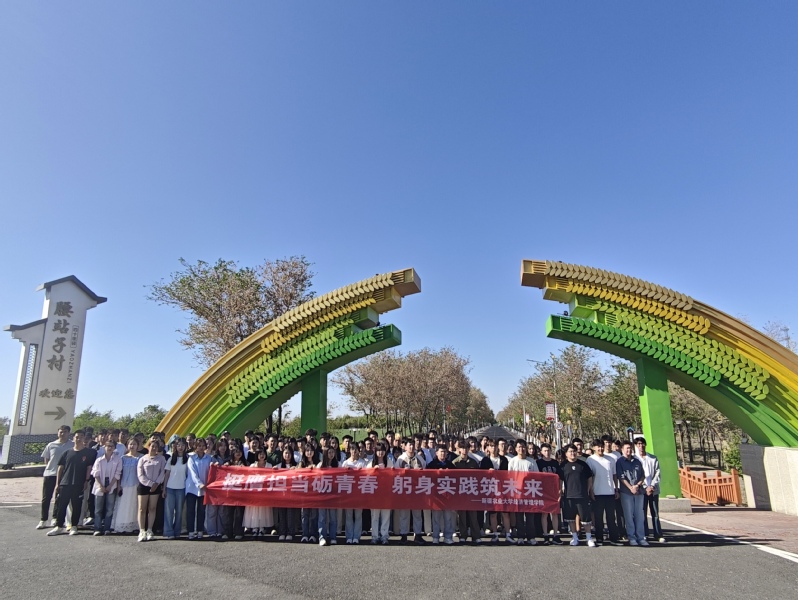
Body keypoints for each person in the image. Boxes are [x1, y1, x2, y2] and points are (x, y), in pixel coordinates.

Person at [47, 430, 94, 536]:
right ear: (73, 438)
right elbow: (60, 468)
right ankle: (59, 526)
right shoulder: (67, 452)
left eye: (81, 437)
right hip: (65, 483)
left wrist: (86, 481)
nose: (79, 439)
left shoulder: (88, 453)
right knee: (61, 505)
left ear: (84, 438)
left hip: (79, 483)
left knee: (77, 506)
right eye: (77, 437)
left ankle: (74, 526)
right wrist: (57, 483)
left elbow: (89, 468)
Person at [38, 425, 73, 530]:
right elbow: (46, 459)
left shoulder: (72, 444)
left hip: (64, 475)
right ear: (58, 433)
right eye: (60, 432)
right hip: (50, 474)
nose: (62, 434)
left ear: (68, 433)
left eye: (65, 432)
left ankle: (55, 517)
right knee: (46, 498)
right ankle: (43, 519)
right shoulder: (51, 445)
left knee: (59, 498)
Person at [587, 439, 621, 546]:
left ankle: (613, 539)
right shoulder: (590, 460)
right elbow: (589, 477)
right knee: (598, 518)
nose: (600, 448)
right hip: (597, 493)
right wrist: (591, 491)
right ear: (594, 448)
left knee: (611, 517)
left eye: (602, 446)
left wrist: (616, 489)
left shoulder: (610, 459)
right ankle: (599, 538)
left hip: (610, 492)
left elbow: (614, 475)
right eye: (598, 447)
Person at [561, 444, 596, 547]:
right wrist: (560, 491)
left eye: (574, 451)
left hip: (582, 495)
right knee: (571, 518)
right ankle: (575, 537)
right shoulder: (563, 465)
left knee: (586, 518)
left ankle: (589, 538)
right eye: (570, 451)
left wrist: (588, 490)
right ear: (566, 453)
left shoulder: (583, 464)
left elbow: (589, 477)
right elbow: (560, 479)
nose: (573, 453)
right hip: (569, 496)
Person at [507, 439, 540, 545]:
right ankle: (520, 536)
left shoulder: (532, 461)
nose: (521, 449)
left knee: (530, 516)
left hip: (530, 492)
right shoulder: (512, 461)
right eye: (519, 447)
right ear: (516, 449)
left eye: (523, 447)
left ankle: (531, 537)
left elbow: (537, 476)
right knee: (519, 516)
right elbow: (510, 477)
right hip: (517, 492)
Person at [395, 438, 425, 545]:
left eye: (413, 445)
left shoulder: (420, 459)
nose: (411, 447)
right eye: (409, 445)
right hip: (404, 490)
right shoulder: (400, 459)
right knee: (404, 514)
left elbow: (426, 472)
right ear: (405, 446)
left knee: (417, 514)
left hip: (417, 490)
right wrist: (403, 472)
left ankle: (418, 534)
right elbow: (395, 473)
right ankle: (403, 535)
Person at [616, 441, 647, 546]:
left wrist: (637, 485)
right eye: (627, 448)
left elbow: (642, 475)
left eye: (630, 448)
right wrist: (630, 487)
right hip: (626, 492)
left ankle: (641, 537)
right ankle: (631, 537)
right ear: (622, 450)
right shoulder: (619, 462)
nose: (629, 450)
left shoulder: (637, 461)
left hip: (639, 491)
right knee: (629, 516)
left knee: (640, 515)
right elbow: (621, 477)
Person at [90, 439, 122, 536]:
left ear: (114, 448)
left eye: (112, 446)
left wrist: (110, 486)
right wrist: (101, 485)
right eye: (108, 446)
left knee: (109, 509)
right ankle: (97, 528)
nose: (110, 448)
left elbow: (117, 474)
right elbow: (95, 473)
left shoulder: (118, 459)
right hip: (99, 483)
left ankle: (107, 528)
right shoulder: (99, 460)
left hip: (111, 484)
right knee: (98, 509)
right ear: (104, 447)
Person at [635, 437, 664, 543]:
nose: (641, 446)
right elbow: (636, 476)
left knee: (655, 513)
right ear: (636, 446)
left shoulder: (653, 458)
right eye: (638, 444)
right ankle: (644, 534)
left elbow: (657, 473)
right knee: (642, 513)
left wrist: (651, 486)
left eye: (642, 444)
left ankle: (658, 534)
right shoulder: (635, 459)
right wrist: (644, 487)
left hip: (653, 490)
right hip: (641, 491)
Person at [136, 439, 166, 542]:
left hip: (156, 485)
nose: (153, 448)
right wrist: (150, 484)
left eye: (156, 447)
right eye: (152, 446)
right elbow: (140, 474)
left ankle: (149, 530)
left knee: (152, 508)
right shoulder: (142, 458)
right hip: (144, 485)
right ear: (148, 447)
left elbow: (162, 472)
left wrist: (156, 483)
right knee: (142, 508)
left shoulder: (161, 459)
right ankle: (142, 530)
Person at [426, 444, 456, 545]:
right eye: (441, 452)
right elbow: (426, 478)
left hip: (448, 495)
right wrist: (437, 473)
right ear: (436, 453)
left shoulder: (451, 465)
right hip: (436, 496)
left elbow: (456, 477)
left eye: (444, 452)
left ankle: (448, 537)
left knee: (448, 517)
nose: (443, 454)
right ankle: (435, 536)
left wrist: (449, 473)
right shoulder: (431, 465)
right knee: (436, 517)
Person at [112, 438, 142, 534]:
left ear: (137, 446)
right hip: (124, 485)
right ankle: (122, 525)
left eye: (134, 444)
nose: (132, 446)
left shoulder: (141, 457)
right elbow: (119, 473)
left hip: (136, 484)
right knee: (123, 505)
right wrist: (119, 485)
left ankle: (134, 526)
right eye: (130, 444)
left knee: (134, 505)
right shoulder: (123, 458)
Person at [186, 437, 212, 540]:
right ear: (195, 447)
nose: (201, 448)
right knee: (190, 510)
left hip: (204, 488)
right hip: (192, 488)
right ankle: (191, 531)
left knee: (201, 510)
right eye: (199, 446)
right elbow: (192, 473)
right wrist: (199, 484)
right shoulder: (191, 458)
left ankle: (200, 530)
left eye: (203, 446)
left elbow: (212, 470)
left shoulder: (209, 458)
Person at [536, 442, 563, 545]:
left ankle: (556, 534)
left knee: (554, 513)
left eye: (548, 450)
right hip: (543, 491)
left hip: (554, 490)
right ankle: (545, 535)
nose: (547, 452)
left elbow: (560, 477)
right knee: (544, 513)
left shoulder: (555, 463)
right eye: (545, 451)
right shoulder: (538, 463)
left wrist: (560, 489)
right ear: (541, 452)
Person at [163, 438, 189, 540]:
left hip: (181, 488)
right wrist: (164, 489)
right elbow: (167, 474)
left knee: (179, 511)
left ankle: (177, 531)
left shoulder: (188, 459)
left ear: (185, 447)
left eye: (182, 445)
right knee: (169, 511)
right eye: (178, 445)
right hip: (170, 487)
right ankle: (168, 531)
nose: (180, 447)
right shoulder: (171, 459)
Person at [341, 444, 367, 544]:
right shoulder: (345, 463)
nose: (353, 451)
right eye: (352, 449)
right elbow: (340, 477)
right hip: (348, 492)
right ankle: (349, 536)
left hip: (358, 492)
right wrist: (345, 471)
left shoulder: (362, 463)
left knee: (358, 515)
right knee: (348, 515)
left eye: (355, 449)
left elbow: (367, 477)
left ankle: (356, 536)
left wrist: (362, 471)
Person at [368, 442, 393, 545]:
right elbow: (366, 475)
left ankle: (384, 536)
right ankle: (374, 536)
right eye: (378, 450)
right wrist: (373, 470)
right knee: (375, 516)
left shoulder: (389, 462)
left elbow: (394, 474)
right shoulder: (371, 463)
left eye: (382, 450)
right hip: (375, 494)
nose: (380, 453)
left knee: (385, 516)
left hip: (386, 493)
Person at [275, 447, 299, 541]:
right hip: (281, 494)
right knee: (281, 514)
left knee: (290, 514)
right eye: (285, 453)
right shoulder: (279, 466)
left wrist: (296, 469)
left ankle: (290, 532)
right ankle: (282, 532)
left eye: (289, 453)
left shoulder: (296, 466)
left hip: (292, 494)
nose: (287, 455)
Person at [316, 446, 339, 546]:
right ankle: (322, 537)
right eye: (329, 452)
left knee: (333, 517)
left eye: (333, 452)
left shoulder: (337, 465)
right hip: (322, 494)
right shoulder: (320, 465)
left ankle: (333, 537)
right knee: (322, 517)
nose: (331, 454)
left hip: (333, 494)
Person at [299, 444, 319, 543]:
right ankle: (305, 534)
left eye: (311, 450)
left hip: (314, 492)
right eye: (307, 451)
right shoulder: (301, 463)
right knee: (304, 514)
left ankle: (313, 534)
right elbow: (297, 474)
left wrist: (315, 469)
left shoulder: (318, 463)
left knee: (314, 515)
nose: (309, 452)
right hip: (304, 493)